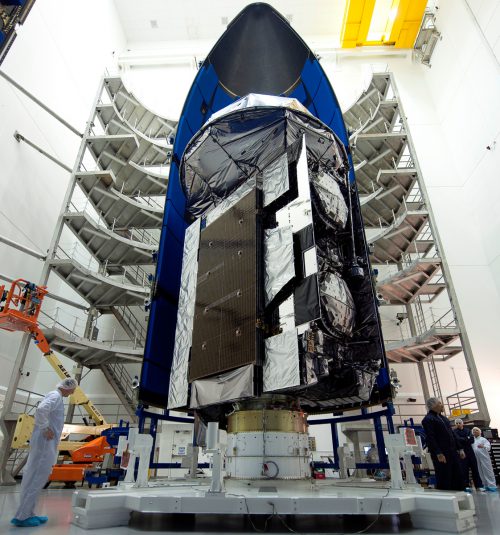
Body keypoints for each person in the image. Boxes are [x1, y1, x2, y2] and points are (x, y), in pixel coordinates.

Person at [11, 377, 78, 527]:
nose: (73, 392)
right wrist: (45, 428)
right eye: (73, 389)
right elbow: (41, 410)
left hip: (44, 443)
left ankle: (27, 513)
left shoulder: (56, 396)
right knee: (37, 478)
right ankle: (23, 516)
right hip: (44, 443)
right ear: (68, 387)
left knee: (35, 478)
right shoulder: (55, 396)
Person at [421, 397, 466, 491]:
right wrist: (438, 453)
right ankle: (447, 499)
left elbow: (452, 434)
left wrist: (460, 448)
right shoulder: (428, 419)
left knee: (458, 475)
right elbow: (431, 437)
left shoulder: (444, 418)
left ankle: (460, 497)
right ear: (433, 405)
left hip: (453, 452)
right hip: (442, 454)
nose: (442, 405)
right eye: (440, 403)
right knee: (445, 476)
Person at [453, 419, 484, 492]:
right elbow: (457, 440)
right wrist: (466, 438)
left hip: (470, 451)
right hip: (462, 452)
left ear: (462, 423)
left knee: (475, 469)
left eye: (459, 423)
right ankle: (466, 486)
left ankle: (479, 486)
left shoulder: (468, 430)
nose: (458, 424)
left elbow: (472, 440)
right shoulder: (454, 432)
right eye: (456, 423)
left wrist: (464, 439)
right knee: (464, 469)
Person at [471, 427, 498, 492]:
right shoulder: (472, 440)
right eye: (474, 431)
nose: (475, 431)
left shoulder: (483, 439)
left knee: (488, 471)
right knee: (480, 472)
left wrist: (483, 446)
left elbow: (488, 447)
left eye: (477, 430)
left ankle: (492, 486)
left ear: (480, 432)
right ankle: (484, 485)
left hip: (484, 458)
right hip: (476, 458)